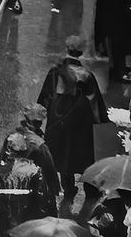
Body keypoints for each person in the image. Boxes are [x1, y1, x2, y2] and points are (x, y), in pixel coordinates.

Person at [37, 34, 107, 201]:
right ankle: (90, 190)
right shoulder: (86, 75)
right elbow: (94, 101)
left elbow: (44, 98)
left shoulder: (55, 71)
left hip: (57, 115)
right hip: (79, 118)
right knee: (81, 154)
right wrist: (98, 120)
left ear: (67, 49)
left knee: (60, 154)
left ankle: (68, 189)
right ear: (81, 52)